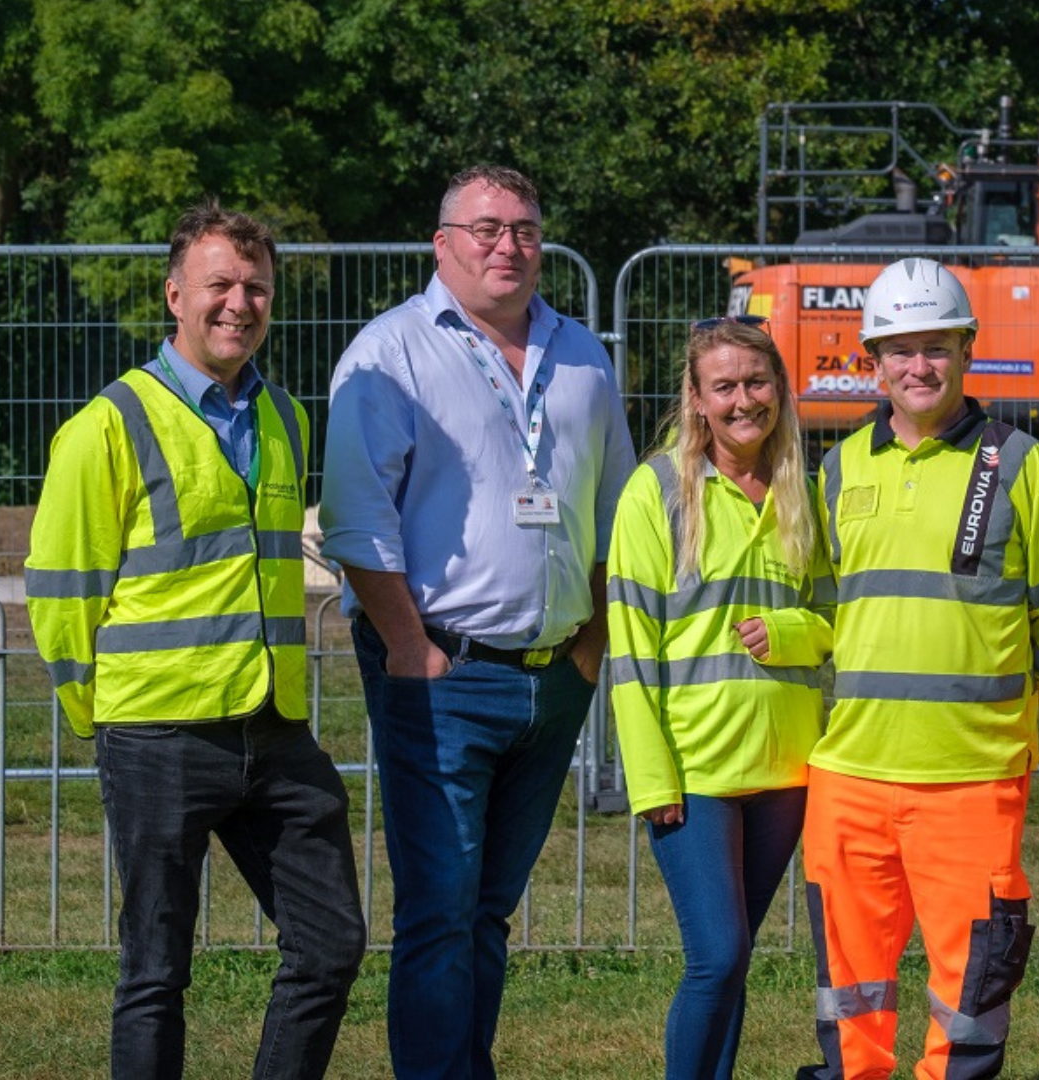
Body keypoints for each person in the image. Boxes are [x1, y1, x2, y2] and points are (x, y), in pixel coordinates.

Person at [25, 200, 365, 1079]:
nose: (238, 303)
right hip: (156, 735)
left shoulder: (286, 419)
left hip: (272, 728)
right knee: (155, 972)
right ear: (175, 294)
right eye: (219, 285)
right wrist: (93, 714)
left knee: (330, 945)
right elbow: (61, 589)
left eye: (255, 287)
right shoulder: (108, 424)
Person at [319, 164, 636, 1079]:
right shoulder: (391, 353)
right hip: (442, 675)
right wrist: (412, 648)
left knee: (488, 907)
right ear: (443, 243)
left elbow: (617, 509)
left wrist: (590, 644)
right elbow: (354, 519)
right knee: (439, 907)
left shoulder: (581, 352)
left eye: (527, 229)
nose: (509, 245)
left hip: (555, 678)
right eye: (487, 228)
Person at [796, 258, 1039, 1080]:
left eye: (935, 347)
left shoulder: (1023, 464)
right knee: (849, 985)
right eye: (899, 350)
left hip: (972, 773)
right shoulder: (838, 469)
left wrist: (1003, 691)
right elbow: (823, 607)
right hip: (850, 772)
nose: (918, 367)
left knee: (969, 983)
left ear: (968, 348)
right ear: (872, 360)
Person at [608, 316, 833, 1079]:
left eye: (758, 381)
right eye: (725, 386)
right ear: (697, 399)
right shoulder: (657, 490)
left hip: (786, 770)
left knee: (734, 961)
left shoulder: (808, 486)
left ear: (780, 388)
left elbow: (835, 619)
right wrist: (650, 777)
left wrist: (791, 632)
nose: (745, 400)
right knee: (718, 954)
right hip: (695, 772)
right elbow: (630, 644)